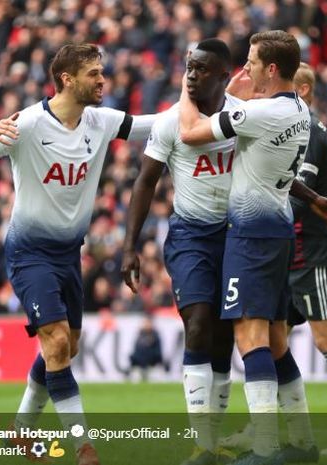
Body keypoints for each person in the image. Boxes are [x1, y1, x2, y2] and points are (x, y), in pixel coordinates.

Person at [0, 43, 156, 465]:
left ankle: (20, 430)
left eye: (102, 72)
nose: (103, 80)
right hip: (30, 251)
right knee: (54, 343)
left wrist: (215, 105)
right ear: (67, 79)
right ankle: (83, 446)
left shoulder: (101, 122)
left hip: (70, 252)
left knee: (64, 348)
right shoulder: (29, 124)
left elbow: (154, 126)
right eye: (94, 74)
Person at [179, 31, 327, 465]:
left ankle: (267, 449)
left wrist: (187, 85)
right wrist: (315, 199)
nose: (245, 69)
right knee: (274, 339)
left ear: (272, 69)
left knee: (249, 335)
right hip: (278, 230)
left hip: (250, 237)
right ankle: (303, 442)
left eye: (252, 62)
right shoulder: (299, 110)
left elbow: (193, 132)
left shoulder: (262, 112)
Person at [221, 63, 327, 456]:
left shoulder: (314, 134)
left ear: (302, 89)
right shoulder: (291, 129)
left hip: (312, 254)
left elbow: (287, 189)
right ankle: (268, 431)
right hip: (286, 252)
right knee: (273, 343)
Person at [121, 39, 240, 465]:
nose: (192, 74)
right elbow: (144, 181)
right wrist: (130, 246)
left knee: (226, 335)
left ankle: (216, 438)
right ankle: (202, 444)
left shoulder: (242, 116)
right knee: (199, 323)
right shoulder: (171, 122)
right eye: (190, 67)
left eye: (203, 69)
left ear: (225, 76)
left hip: (235, 234)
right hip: (190, 235)